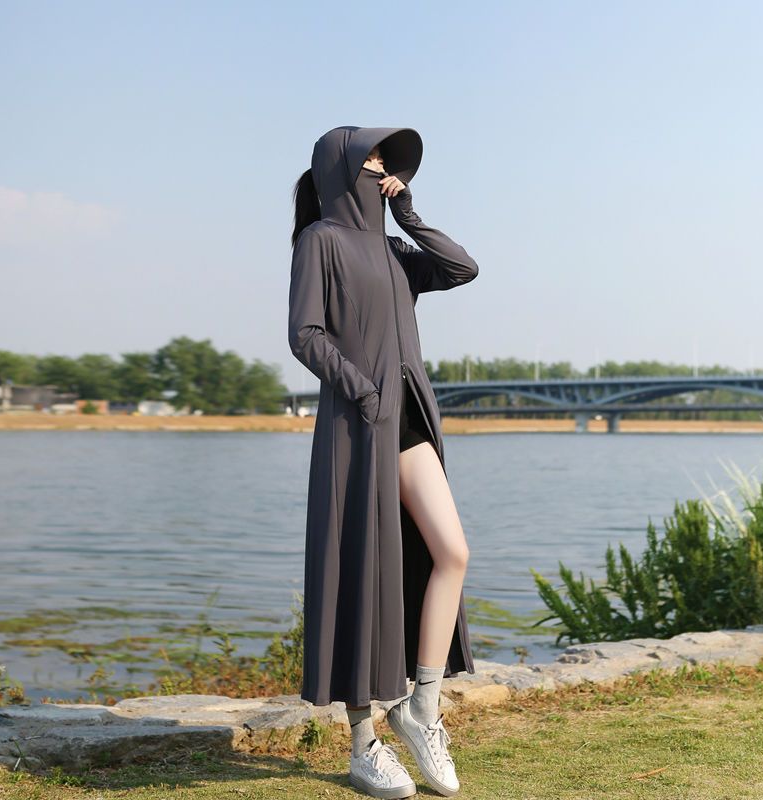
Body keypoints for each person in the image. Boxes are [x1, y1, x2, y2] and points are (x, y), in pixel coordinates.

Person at [288, 126, 479, 798]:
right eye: (370, 158)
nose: (380, 167)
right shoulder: (321, 241)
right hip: (358, 424)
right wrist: (363, 390)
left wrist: (410, 215)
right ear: (340, 168)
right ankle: (362, 746)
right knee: (359, 575)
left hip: (408, 421)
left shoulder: (397, 249)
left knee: (451, 552)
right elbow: (304, 334)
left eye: (384, 161)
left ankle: (421, 707)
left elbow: (461, 268)